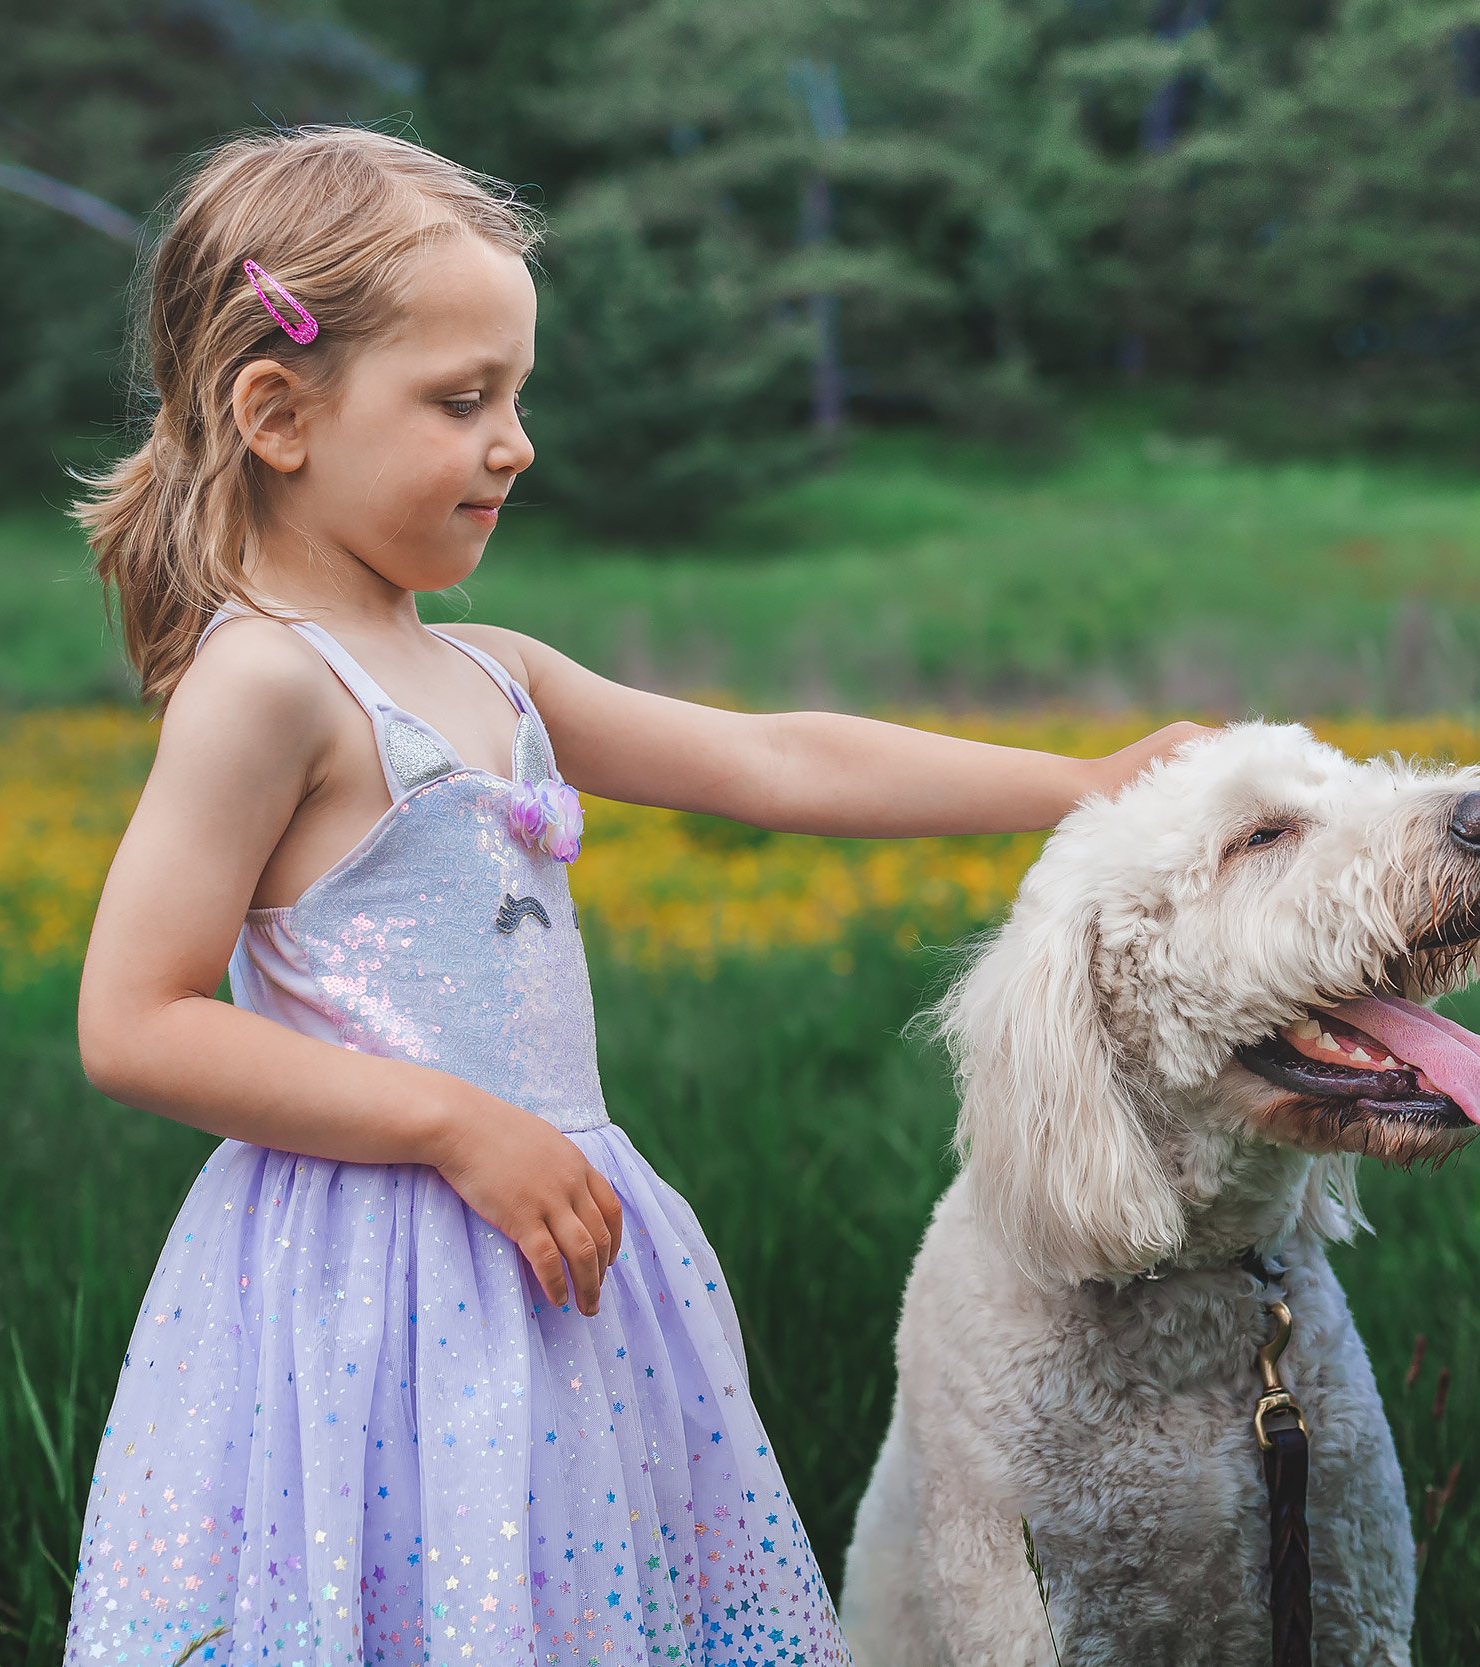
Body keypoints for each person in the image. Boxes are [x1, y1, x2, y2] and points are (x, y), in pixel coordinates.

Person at [60, 125, 1203, 1667]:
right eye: (461, 403)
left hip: (554, 1255)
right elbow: (135, 1023)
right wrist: (456, 1125)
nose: (513, 443)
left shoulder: (492, 670)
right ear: (278, 412)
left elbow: (778, 760)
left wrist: (1076, 781)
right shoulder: (268, 686)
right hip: (365, 1292)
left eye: (516, 397)